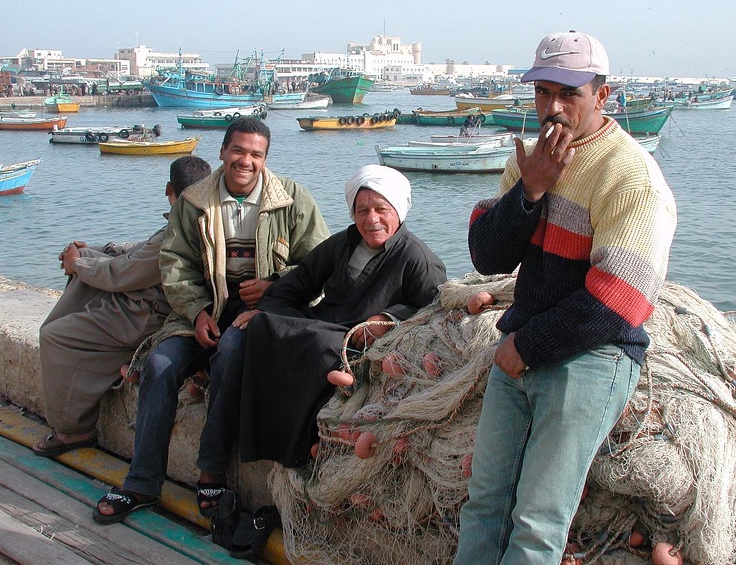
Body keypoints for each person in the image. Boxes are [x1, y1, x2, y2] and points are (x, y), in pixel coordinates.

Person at [454, 31, 677, 564]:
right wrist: (529, 191)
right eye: (543, 92)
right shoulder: (533, 161)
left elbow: (621, 297)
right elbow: (487, 255)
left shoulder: (630, 176)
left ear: (602, 96)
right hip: (523, 348)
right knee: (483, 505)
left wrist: (528, 346)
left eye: (569, 93)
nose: (553, 107)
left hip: (592, 356)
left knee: (537, 523)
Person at [93, 117, 330, 525]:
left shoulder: (293, 200)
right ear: (222, 152)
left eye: (256, 154)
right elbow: (175, 265)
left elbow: (319, 267)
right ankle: (142, 481)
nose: (245, 161)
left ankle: (211, 472)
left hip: (260, 315)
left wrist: (274, 286)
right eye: (238, 151)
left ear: (265, 159)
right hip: (200, 311)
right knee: (160, 365)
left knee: (232, 355)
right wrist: (197, 312)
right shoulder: (194, 201)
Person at [194, 164, 447, 514]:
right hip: (320, 324)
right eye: (362, 210)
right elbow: (295, 286)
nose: (371, 219)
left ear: (398, 211)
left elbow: (431, 307)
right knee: (257, 334)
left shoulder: (417, 258)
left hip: (352, 339)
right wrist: (267, 314)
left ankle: (295, 451)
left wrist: (388, 319)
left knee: (321, 350)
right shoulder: (342, 243)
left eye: (381, 210)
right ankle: (217, 461)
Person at [34, 156, 212, 458]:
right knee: (87, 263)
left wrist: (79, 265)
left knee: (55, 336)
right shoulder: (196, 221)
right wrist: (93, 253)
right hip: (142, 302)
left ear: (169, 189)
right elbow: (135, 254)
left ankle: (72, 429)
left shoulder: (179, 232)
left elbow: (123, 274)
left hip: (143, 316)